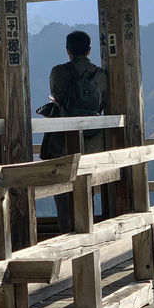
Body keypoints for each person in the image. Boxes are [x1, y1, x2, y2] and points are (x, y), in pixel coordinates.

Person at [43, 30, 108, 233]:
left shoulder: (58, 72)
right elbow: (102, 104)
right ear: (89, 50)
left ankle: (66, 233)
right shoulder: (101, 75)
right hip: (92, 144)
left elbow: (58, 96)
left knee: (62, 192)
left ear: (67, 50)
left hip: (62, 142)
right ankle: (87, 232)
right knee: (86, 190)